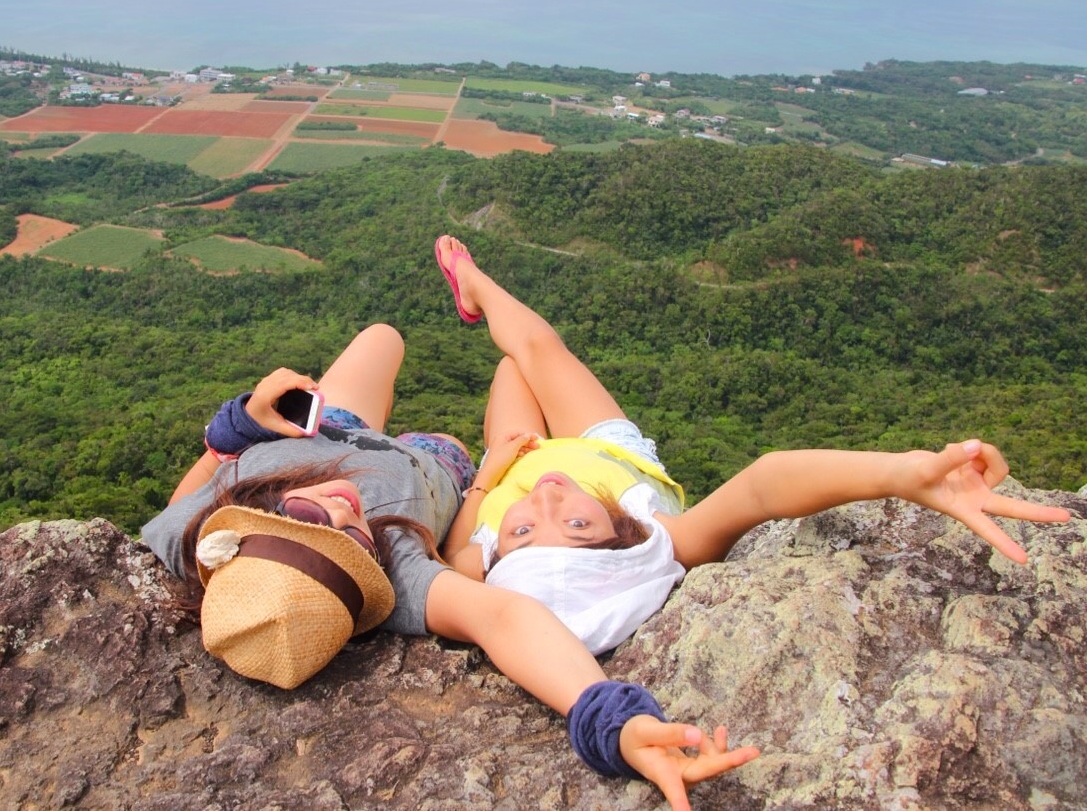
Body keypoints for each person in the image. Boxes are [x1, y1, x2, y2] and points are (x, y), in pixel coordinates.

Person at [140, 323, 758, 810]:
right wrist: (609, 721)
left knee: (383, 337)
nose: (342, 504)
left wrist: (234, 430)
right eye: (354, 540)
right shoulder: (399, 577)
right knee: (455, 442)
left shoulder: (205, 529)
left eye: (301, 510)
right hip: (436, 469)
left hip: (324, 430)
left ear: (250, 525)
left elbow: (177, 508)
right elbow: (506, 619)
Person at [434, 234, 1073, 655]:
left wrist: (491, 476)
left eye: (522, 533)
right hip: (608, 458)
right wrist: (904, 474)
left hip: (509, 458)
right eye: (575, 524)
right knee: (537, 351)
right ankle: (477, 287)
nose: (547, 501)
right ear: (625, 536)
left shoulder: (490, 561)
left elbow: (459, 546)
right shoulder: (663, 538)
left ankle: (479, 294)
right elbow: (766, 483)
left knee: (516, 365)